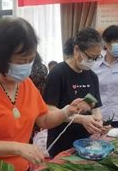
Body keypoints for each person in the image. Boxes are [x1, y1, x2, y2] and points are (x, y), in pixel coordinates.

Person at [0, 17, 89, 171]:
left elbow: (43, 119)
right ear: (1, 57)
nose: (27, 66)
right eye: (21, 61)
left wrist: (66, 112)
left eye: (31, 60)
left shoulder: (25, 84)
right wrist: (18, 148)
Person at [43, 28, 105, 158]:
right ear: (77, 50)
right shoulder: (58, 73)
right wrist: (81, 119)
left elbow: (94, 105)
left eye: (97, 58)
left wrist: (97, 121)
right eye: (90, 57)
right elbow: (49, 110)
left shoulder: (92, 76)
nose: (92, 62)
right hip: (61, 141)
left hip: (85, 143)